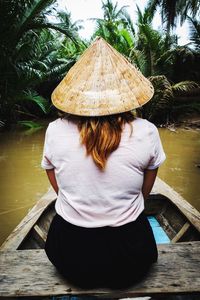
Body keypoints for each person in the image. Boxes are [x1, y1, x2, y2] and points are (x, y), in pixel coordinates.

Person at [41, 37, 166, 288]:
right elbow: (145, 190)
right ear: (125, 93)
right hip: (130, 259)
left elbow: (54, 179)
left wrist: (74, 197)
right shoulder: (146, 130)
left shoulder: (55, 130)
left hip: (71, 258)